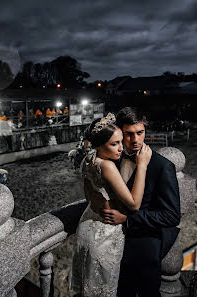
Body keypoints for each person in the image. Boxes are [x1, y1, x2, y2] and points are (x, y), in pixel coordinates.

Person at [70, 113, 152, 297]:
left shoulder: (86, 161)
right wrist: (143, 166)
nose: (121, 148)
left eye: (121, 141)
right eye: (114, 144)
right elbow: (134, 204)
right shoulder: (107, 166)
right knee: (104, 290)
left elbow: (89, 195)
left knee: (88, 288)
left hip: (87, 225)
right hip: (106, 233)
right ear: (99, 145)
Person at [101, 107, 181, 297]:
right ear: (120, 133)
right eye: (129, 134)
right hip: (112, 241)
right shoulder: (113, 158)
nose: (135, 140)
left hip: (144, 241)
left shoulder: (163, 166)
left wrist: (127, 220)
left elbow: (171, 215)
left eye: (140, 133)